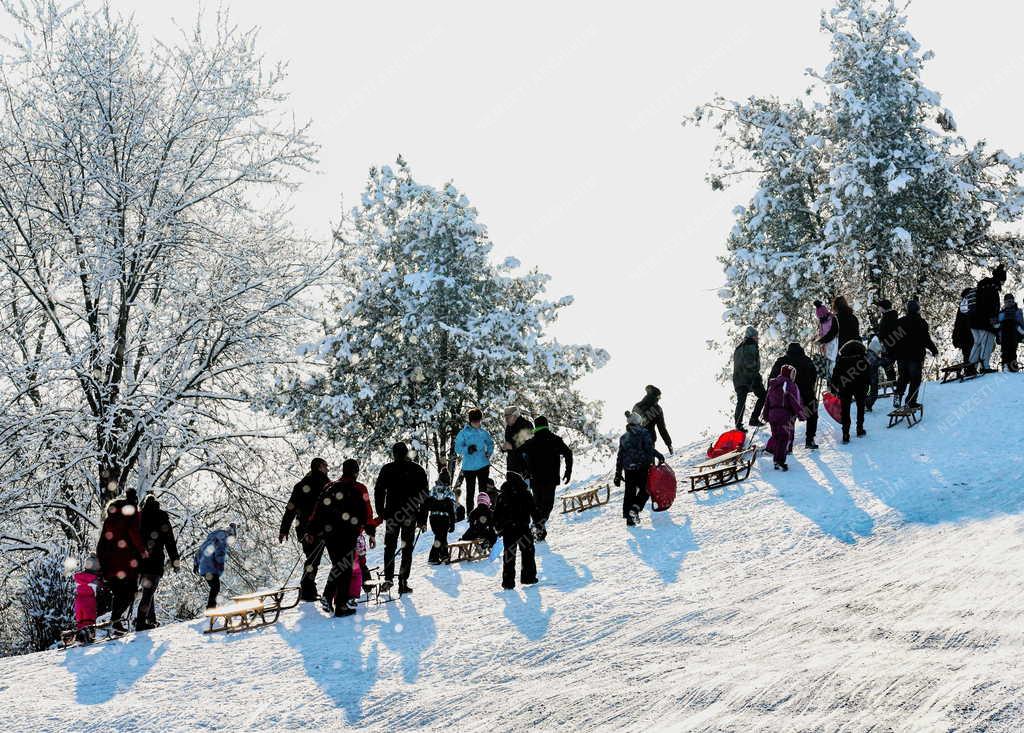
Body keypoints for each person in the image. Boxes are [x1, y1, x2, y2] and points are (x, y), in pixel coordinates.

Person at [306, 459, 371, 617]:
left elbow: (317, 510)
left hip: (330, 535)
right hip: (348, 534)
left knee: (337, 565)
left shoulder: (329, 487)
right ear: (356, 471)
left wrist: (311, 531)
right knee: (346, 569)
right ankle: (341, 606)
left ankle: (328, 597)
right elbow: (367, 512)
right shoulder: (359, 488)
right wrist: (367, 529)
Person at [374, 442, 429, 595]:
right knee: (407, 548)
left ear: (394, 454)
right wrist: (422, 518)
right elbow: (424, 496)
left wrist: (381, 511)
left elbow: (379, 490)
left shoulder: (387, 469)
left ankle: (388, 578)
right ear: (407, 453)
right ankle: (403, 581)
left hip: (392, 514)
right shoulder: (417, 470)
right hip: (409, 515)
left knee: (389, 546)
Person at [279, 457, 331, 603]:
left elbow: (290, 509)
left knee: (311, 559)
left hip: (302, 528)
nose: (327, 469)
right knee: (318, 559)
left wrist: (284, 530)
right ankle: (310, 590)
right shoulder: (326, 484)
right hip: (322, 528)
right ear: (320, 467)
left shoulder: (300, 485)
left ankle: (308, 589)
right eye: (326, 466)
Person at [95, 489, 147, 633]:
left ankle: (116, 622)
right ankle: (115, 621)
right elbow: (134, 534)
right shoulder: (130, 514)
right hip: (126, 563)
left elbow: (102, 544)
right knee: (129, 593)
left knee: (119, 594)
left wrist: (103, 564)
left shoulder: (109, 520)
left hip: (110, 565)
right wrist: (143, 552)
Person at [520, 416, 573, 542]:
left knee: (537, 505)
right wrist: (568, 471)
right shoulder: (555, 440)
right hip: (550, 479)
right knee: (547, 506)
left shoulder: (530, 443)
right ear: (547, 425)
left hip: (535, 479)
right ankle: (538, 527)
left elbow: (520, 455)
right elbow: (568, 453)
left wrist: (525, 471)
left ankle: (538, 529)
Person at [134, 494, 180, 631]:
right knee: (148, 592)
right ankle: (141, 622)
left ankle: (150, 619)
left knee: (147, 590)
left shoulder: (139, 517)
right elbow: (170, 541)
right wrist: (175, 561)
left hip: (140, 561)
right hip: (155, 560)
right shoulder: (161, 517)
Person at [614, 411, 665, 526]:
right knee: (645, 490)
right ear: (638, 422)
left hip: (628, 469)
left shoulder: (624, 437)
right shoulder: (644, 433)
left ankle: (629, 519)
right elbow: (649, 449)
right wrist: (659, 456)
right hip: (642, 467)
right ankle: (635, 509)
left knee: (629, 493)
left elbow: (620, 456)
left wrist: (618, 473)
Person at [493, 472, 541, 590]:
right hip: (523, 528)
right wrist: (538, 522)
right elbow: (533, 509)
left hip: (508, 530)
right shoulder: (525, 493)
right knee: (528, 553)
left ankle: (508, 582)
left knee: (509, 556)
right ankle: (528, 577)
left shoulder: (502, 496)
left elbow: (496, 515)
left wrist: (498, 528)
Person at [767, 342, 819, 449]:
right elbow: (814, 376)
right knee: (812, 412)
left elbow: (772, 378)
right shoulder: (807, 360)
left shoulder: (781, 361)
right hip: (806, 394)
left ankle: (788, 444)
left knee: (789, 417)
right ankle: (810, 439)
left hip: (786, 395)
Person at [892, 299, 939, 409]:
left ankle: (898, 396)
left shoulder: (900, 322)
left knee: (903, 377)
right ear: (918, 309)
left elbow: (894, 339)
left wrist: (893, 353)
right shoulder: (921, 323)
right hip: (915, 356)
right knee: (915, 379)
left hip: (902, 356)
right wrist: (934, 350)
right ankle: (911, 401)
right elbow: (926, 339)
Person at [761, 365, 805, 470]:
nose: (793, 376)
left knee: (776, 436)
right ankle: (779, 461)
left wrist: (765, 414)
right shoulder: (789, 384)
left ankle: (776, 460)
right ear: (788, 374)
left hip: (772, 414)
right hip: (783, 414)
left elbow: (767, 400)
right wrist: (800, 414)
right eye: (792, 374)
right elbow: (793, 400)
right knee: (784, 437)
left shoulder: (773, 385)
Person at [454, 409, 494, 513]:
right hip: (469, 467)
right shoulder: (463, 433)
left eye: (478, 421)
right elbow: (457, 448)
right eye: (475, 421)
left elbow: (490, 443)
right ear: (470, 421)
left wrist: (488, 453)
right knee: (470, 491)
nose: (477, 423)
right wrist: (467, 449)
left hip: (483, 465)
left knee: (483, 491)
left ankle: (484, 512)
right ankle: (470, 514)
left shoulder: (483, 433)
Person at [833, 339, 871, 443]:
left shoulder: (841, 360)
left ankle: (845, 433)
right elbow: (868, 374)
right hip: (860, 386)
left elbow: (835, 375)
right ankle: (859, 428)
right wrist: (868, 384)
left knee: (845, 409)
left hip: (845, 386)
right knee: (860, 406)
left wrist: (834, 387)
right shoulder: (863, 359)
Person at [970, 264, 1006, 373]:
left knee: (977, 343)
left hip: (973, 321)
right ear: (1000, 280)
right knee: (987, 343)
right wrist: (993, 322)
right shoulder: (992, 289)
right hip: (984, 323)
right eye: (1003, 281)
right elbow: (990, 308)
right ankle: (985, 367)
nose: (1003, 284)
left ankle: (971, 366)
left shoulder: (982, 287)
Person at [194, 523, 236, 609]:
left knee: (214, 587)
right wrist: (220, 566)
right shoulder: (221, 541)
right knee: (215, 587)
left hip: (204, 569)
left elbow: (198, 553)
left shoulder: (210, 540)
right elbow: (219, 554)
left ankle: (211, 607)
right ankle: (211, 608)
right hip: (212, 568)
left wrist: (195, 565)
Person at [733, 326, 766, 431]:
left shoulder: (739, 347)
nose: (758, 338)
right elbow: (750, 363)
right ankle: (754, 419)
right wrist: (753, 373)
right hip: (750, 377)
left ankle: (738, 425)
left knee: (741, 401)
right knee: (763, 396)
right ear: (752, 336)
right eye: (756, 336)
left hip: (738, 379)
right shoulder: (751, 345)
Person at [426, 469, 458, 565]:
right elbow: (451, 510)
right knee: (440, 537)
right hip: (444, 518)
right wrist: (452, 523)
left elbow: (427, 504)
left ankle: (444, 555)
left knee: (441, 536)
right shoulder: (449, 493)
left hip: (433, 518)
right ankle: (433, 557)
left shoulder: (433, 490)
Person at [631, 385, 673, 453]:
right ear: (656, 396)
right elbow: (662, 429)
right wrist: (669, 444)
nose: (660, 398)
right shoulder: (657, 409)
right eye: (659, 396)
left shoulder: (637, 405)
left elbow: (631, 422)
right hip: (649, 440)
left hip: (635, 440)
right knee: (649, 461)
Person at [73, 555, 103, 645]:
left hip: (78, 601)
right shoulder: (94, 580)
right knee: (89, 619)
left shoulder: (78, 577)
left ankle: (80, 637)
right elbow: (102, 585)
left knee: (80, 620)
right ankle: (89, 636)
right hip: (89, 600)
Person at [502, 407, 534, 478]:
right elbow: (511, 446)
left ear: (515, 416)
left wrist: (511, 446)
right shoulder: (508, 428)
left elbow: (528, 445)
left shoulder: (526, 425)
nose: (506, 420)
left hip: (526, 468)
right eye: (505, 417)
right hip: (513, 467)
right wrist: (504, 448)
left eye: (508, 417)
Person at [874, 299, 900, 382]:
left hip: (889, 344)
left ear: (883, 307)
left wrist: (883, 341)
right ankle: (893, 382)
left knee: (887, 365)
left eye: (879, 307)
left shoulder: (888, 317)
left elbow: (886, 331)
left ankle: (892, 382)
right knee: (888, 365)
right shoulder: (888, 316)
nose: (878, 309)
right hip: (889, 344)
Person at [997, 293, 1024, 372]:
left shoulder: (1017, 311)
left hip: (1013, 334)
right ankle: (1006, 365)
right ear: (1005, 302)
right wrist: (999, 336)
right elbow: (999, 326)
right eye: (1008, 301)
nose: (1010, 303)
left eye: (1011, 301)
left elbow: (1021, 323)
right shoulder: (1002, 312)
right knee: (1006, 350)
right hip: (1006, 334)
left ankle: (1012, 365)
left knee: (1012, 350)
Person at [953, 287, 976, 372]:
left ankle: (970, 369)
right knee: (969, 352)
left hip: (965, 335)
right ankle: (970, 369)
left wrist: (955, 337)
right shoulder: (968, 306)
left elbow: (957, 323)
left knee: (968, 353)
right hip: (968, 334)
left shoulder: (962, 307)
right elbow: (958, 323)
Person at [815, 300, 839, 379]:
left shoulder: (833, 319)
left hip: (833, 343)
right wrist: (818, 339)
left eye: (822, 316)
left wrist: (822, 341)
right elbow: (821, 332)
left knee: (832, 363)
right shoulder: (822, 322)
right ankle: (829, 381)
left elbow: (832, 333)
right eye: (820, 317)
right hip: (825, 345)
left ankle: (834, 381)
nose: (821, 318)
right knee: (827, 365)